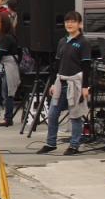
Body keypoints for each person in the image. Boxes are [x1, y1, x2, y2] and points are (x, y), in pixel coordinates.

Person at [37, 10, 91, 156]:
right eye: (67, 21)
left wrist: (85, 87)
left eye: (73, 21)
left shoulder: (83, 43)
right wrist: (54, 83)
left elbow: (86, 66)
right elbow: (57, 64)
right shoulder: (62, 41)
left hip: (76, 83)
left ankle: (74, 145)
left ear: (80, 24)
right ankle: (51, 143)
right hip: (61, 82)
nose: (69, 24)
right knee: (53, 113)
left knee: (75, 115)